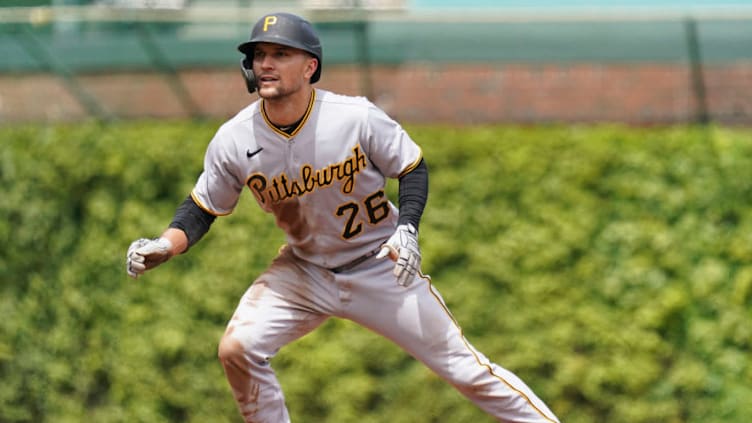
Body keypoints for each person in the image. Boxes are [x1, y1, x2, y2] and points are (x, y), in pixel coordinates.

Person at [126, 12, 560, 423]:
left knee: (466, 370)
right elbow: (201, 208)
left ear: (310, 67)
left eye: (280, 54)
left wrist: (408, 228)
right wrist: (166, 244)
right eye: (259, 55)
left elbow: (411, 166)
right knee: (238, 347)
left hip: (380, 265)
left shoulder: (355, 116)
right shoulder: (234, 139)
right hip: (304, 271)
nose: (265, 64)